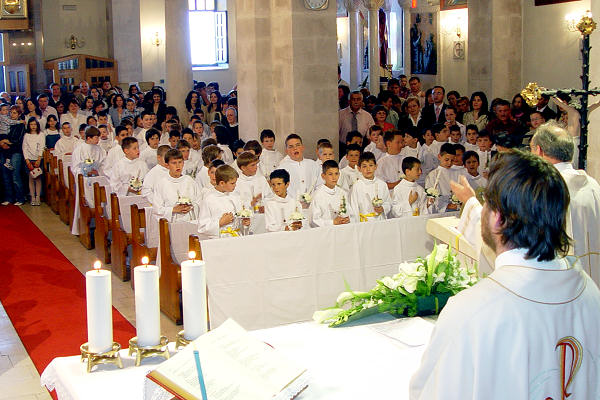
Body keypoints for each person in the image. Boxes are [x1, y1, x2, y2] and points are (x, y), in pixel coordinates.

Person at [411, 150, 600, 399]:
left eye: (486, 203)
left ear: (497, 218)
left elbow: (432, 392)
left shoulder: (472, 311)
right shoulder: (590, 293)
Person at [530, 121, 600, 286]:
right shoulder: (593, 185)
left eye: (531, 149)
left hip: (562, 286)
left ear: (539, 151)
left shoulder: (544, 189)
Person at [198, 164, 248, 238]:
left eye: (235, 182)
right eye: (232, 183)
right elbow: (202, 227)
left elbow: (239, 221)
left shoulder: (235, 196)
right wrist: (220, 223)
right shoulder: (209, 199)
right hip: (220, 239)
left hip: (237, 236)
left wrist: (244, 223)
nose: (235, 185)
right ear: (222, 183)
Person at [153, 149, 201, 223]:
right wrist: (173, 209)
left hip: (190, 221)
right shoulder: (161, 184)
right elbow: (157, 209)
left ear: (183, 163)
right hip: (171, 224)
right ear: (167, 165)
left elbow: (199, 201)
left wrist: (191, 207)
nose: (178, 166)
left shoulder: (189, 181)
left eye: (180, 162)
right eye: (174, 163)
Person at [309, 160, 354, 227]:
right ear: (323, 176)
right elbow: (314, 220)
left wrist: (347, 219)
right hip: (326, 231)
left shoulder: (342, 192)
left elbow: (351, 214)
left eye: (336, 174)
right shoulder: (318, 195)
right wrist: (332, 222)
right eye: (330, 174)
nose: (334, 177)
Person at [349, 151, 391, 222]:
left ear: (375, 166)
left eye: (371, 165)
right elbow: (354, 208)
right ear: (359, 169)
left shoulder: (382, 184)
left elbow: (388, 202)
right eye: (364, 166)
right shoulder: (357, 186)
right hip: (364, 222)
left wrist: (383, 208)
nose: (368, 169)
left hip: (380, 220)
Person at [278, 134, 320, 201]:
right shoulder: (281, 168)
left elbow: (320, 185)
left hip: (312, 203)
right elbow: (279, 190)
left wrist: (311, 200)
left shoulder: (313, 165)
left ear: (303, 147)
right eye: (291, 147)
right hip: (291, 204)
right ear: (287, 151)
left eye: (297, 145)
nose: (295, 148)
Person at [0, 105, 26, 205]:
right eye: (11, 112)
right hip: (4, 151)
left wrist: (6, 141)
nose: (12, 114)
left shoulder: (20, 125)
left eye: (14, 113)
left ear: (19, 114)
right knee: (5, 174)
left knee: (15, 175)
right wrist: (2, 142)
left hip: (15, 152)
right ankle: (9, 197)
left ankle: (20, 198)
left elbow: (18, 140)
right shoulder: (6, 123)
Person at [339, 91, 375, 155]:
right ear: (349, 101)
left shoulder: (367, 116)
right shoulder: (340, 114)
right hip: (343, 148)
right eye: (353, 99)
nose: (356, 102)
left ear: (362, 101)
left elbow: (371, 136)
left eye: (358, 99)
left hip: (361, 148)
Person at [424, 143, 457, 213]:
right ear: (439, 156)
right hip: (441, 210)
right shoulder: (433, 175)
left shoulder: (456, 173)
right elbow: (430, 195)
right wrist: (446, 205)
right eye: (446, 160)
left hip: (455, 208)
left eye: (452, 160)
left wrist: (457, 202)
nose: (449, 163)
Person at [22, 118, 45, 206]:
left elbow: (42, 147)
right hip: (29, 159)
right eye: (31, 124)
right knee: (31, 178)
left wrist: (39, 159)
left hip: (38, 159)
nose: (33, 126)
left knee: (38, 178)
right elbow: (24, 148)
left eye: (35, 124)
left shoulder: (41, 135)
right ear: (29, 126)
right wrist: (27, 161)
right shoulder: (26, 135)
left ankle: (38, 197)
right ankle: (32, 197)